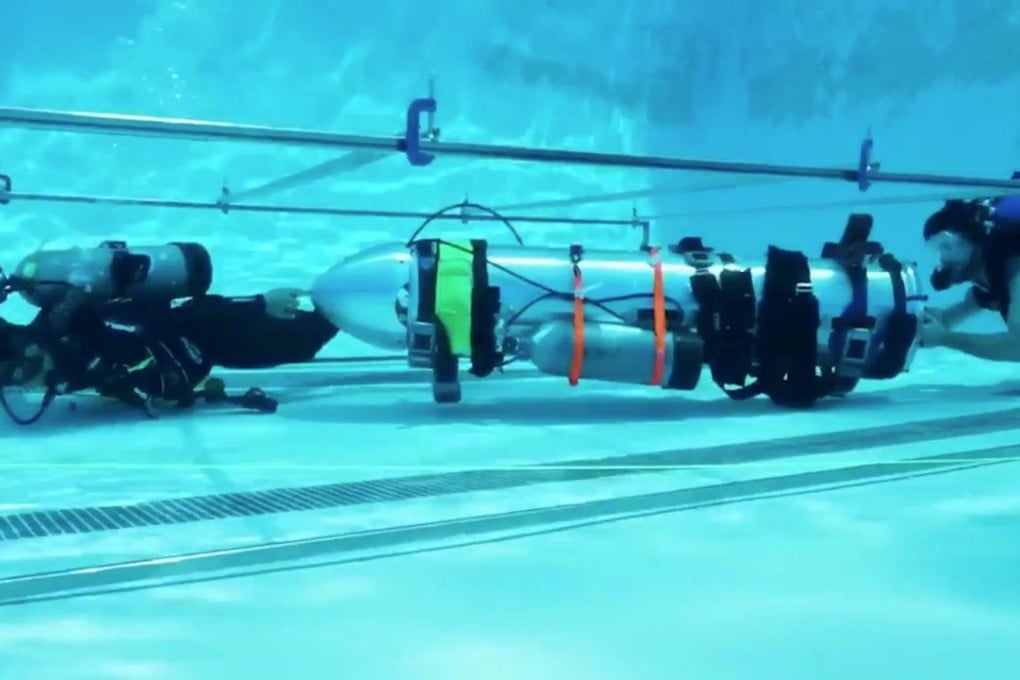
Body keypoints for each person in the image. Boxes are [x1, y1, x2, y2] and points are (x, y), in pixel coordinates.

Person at [0, 286, 340, 420]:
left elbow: (170, 312)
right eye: (15, 379)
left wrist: (258, 302)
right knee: (307, 339)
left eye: (20, 372)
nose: (25, 382)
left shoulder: (63, 321)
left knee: (306, 339)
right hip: (189, 356)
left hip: (203, 335)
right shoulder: (57, 364)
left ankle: (354, 306)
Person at [920, 195, 1020, 361]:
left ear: (975, 240)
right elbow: (945, 318)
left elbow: (1017, 347)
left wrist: (945, 339)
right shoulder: (990, 280)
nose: (943, 258)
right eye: (937, 249)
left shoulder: (1016, 267)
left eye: (947, 245)